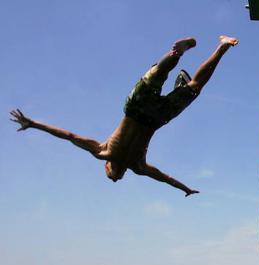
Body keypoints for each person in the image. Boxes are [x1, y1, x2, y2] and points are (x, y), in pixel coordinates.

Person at [9, 35, 238, 196]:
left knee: (157, 75)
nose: (116, 178)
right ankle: (222, 47)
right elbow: (164, 178)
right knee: (194, 87)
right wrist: (184, 188)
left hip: (136, 110)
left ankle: (177, 52)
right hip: (156, 119)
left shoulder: (103, 151)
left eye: (111, 176)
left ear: (107, 166)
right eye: (118, 179)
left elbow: (68, 135)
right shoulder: (137, 166)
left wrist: (33, 123)